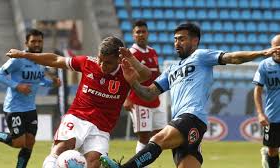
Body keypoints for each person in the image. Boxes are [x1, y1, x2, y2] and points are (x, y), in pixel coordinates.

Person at [99, 23, 280, 168]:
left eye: (182, 39)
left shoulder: (201, 56)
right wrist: (133, 83)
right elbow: (148, 94)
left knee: (157, 140)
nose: (177, 43)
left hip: (192, 117)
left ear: (195, 41)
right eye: (175, 39)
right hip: (182, 122)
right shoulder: (170, 70)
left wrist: (261, 53)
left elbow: (232, 57)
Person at [5, 36, 152, 168]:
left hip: (102, 128)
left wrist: (131, 59)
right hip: (78, 117)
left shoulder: (127, 71)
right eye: (100, 59)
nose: (101, 65)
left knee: (94, 162)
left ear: (119, 60)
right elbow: (56, 60)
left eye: (107, 63)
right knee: (61, 148)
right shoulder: (88, 62)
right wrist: (24, 55)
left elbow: (147, 75)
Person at [0, 29, 61, 168]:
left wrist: (52, 83)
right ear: (26, 43)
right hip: (14, 107)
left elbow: (40, 80)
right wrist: (17, 86)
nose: (36, 44)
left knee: (30, 143)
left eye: (39, 41)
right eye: (33, 41)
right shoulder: (18, 60)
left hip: (30, 108)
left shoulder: (41, 61)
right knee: (18, 143)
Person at [123, 20, 167, 161]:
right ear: (133, 35)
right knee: (144, 135)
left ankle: (144, 161)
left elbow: (157, 74)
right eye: (138, 32)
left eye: (143, 31)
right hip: (138, 100)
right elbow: (124, 78)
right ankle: (136, 164)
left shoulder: (153, 52)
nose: (141, 34)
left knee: (161, 133)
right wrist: (126, 98)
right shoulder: (130, 53)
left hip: (154, 99)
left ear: (148, 33)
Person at [253, 34, 280, 168]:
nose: (279, 50)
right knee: (272, 150)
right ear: (271, 48)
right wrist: (260, 113)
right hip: (273, 117)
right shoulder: (264, 65)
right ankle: (268, 158)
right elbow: (257, 90)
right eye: (277, 47)